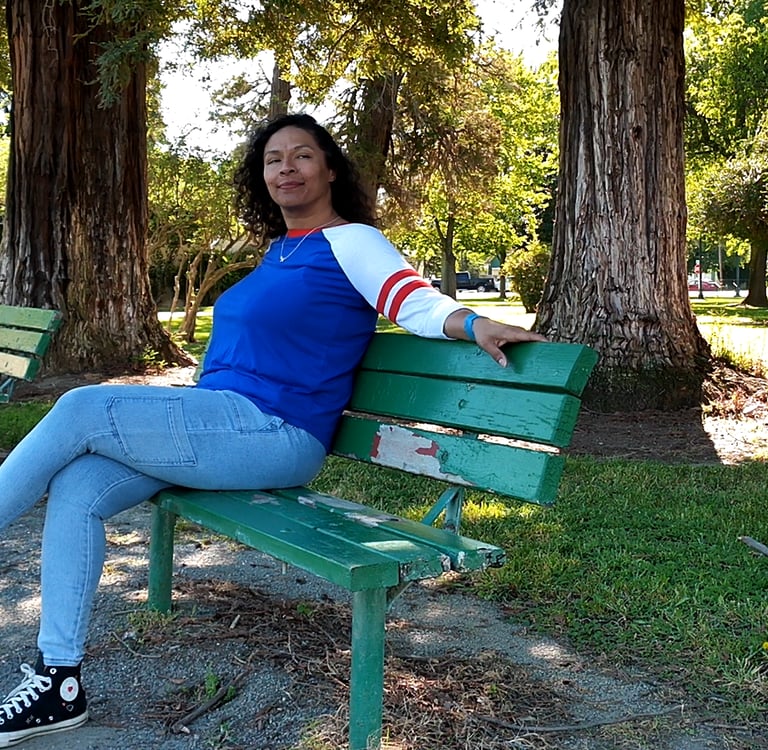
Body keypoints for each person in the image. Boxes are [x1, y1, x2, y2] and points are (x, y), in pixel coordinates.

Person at [0, 112, 546, 746]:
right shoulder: (278, 251)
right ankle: (59, 680)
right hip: (221, 423)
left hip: (274, 432)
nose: (287, 167)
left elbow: (411, 299)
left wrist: (473, 323)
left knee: (80, 408)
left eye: (302, 155)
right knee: (78, 485)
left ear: (330, 170)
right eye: (273, 159)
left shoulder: (351, 241)